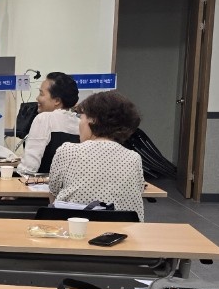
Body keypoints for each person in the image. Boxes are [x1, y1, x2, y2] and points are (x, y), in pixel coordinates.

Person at [49, 90, 146, 220]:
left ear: (93, 119)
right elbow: (137, 192)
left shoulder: (68, 151)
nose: (79, 123)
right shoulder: (134, 158)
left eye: (81, 117)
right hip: (123, 228)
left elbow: (53, 193)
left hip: (75, 227)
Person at [18, 72, 80, 174]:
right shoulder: (79, 122)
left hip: (43, 183)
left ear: (57, 100)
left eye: (41, 94)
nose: (37, 98)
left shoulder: (45, 118)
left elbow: (29, 167)